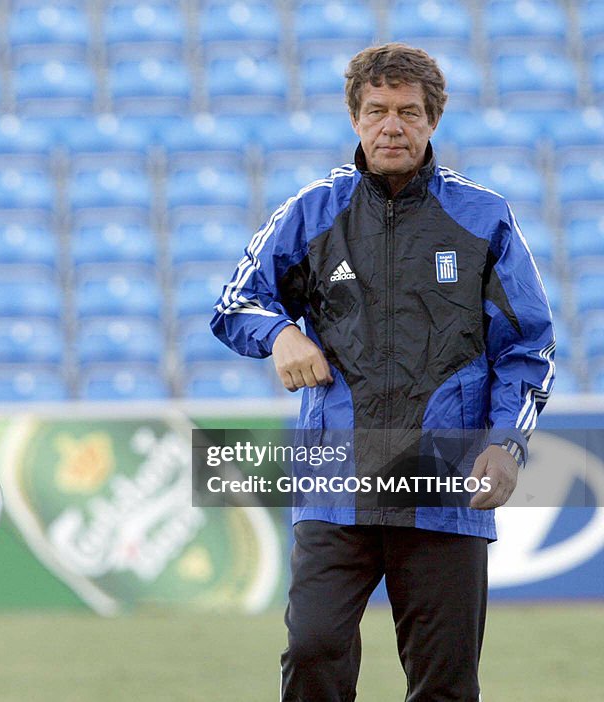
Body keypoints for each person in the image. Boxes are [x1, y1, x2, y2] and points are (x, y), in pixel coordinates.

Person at [211, 43, 555, 701]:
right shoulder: (312, 212)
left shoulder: (484, 218)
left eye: (408, 112)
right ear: (355, 119)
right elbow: (235, 303)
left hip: (443, 481)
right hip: (336, 475)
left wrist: (507, 442)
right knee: (312, 651)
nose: (391, 126)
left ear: (433, 121)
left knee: (445, 684)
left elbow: (528, 349)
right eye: (376, 111)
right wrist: (280, 332)